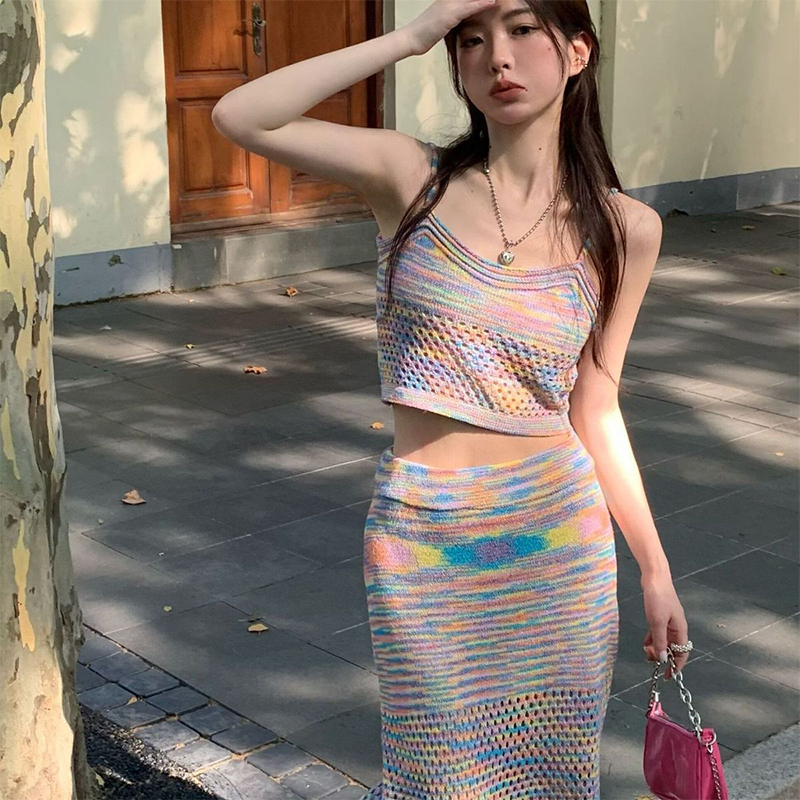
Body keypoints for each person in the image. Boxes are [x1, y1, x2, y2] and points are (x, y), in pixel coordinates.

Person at [212, 0, 691, 797]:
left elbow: (597, 408)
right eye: (471, 41)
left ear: (577, 52)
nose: (497, 56)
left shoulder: (625, 228)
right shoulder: (412, 179)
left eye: (522, 30)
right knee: (436, 776)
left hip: (556, 537)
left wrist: (654, 569)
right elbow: (241, 115)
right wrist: (410, 36)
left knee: (552, 776)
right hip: (425, 535)